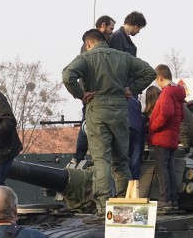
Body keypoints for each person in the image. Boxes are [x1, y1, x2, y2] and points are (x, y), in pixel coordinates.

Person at [62, 29, 156, 216]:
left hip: (97, 113)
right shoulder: (123, 56)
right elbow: (149, 72)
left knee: (101, 161)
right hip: (120, 113)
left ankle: (104, 208)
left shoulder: (87, 58)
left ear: (88, 43)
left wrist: (81, 95)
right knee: (122, 161)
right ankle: (123, 203)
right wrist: (132, 89)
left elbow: (67, 76)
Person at [72, 15, 117, 165]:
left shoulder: (105, 45)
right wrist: (81, 94)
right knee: (87, 124)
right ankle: (79, 155)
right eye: (110, 29)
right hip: (92, 94)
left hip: (99, 94)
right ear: (102, 25)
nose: (111, 32)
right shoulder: (89, 47)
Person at [149, 64, 186, 211]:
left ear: (160, 78)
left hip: (161, 137)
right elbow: (181, 115)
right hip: (172, 136)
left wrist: (153, 126)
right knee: (169, 168)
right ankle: (173, 200)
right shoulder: (177, 93)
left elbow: (167, 113)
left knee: (161, 168)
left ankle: (164, 200)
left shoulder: (166, 93)